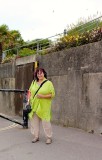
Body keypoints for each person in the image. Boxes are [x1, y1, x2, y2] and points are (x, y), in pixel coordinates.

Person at [28, 68, 55, 144]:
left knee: (46, 122)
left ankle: (49, 137)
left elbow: (52, 94)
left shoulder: (48, 83)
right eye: (38, 73)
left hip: (44, 106)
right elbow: (29, 91)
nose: (39, 75)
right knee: (34, 122)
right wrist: (28, 100)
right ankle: (36, 136)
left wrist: (42, 96)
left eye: (41, 73)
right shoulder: (33, 82)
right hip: (34, 105)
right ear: (36, 75)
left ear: (44, 74)